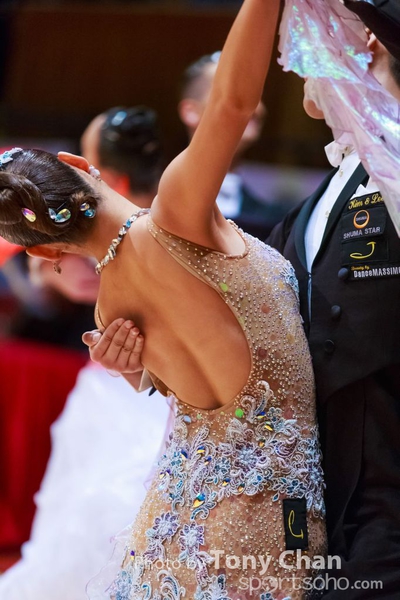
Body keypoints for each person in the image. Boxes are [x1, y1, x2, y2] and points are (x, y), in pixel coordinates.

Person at [0, 1, 326, 597]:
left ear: (45, 251)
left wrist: (134, 375)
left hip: (180, 523)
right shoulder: (177, 212)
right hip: (276, 513)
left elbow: (184, 394)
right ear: (80, 163)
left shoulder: (108, 312)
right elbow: (231, 103)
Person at [0, 106, 171, 599]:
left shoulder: (90, 234)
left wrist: (49, 264)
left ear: (101, 171)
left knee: (100, 502)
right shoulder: (182, 214)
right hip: (159, 385)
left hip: (132, 386)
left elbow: (58, 293)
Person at [268, 7, 400, 598]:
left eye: (306, 43)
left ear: (368, 43)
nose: (295, 62)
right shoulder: (328, 188)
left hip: (386, 497)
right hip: (313, 484)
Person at [178, 52, 286, 240]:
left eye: (256, 94)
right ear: (191, 112)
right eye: (235, 92)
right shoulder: (144, 203)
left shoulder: (275, 223)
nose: (256, 107)